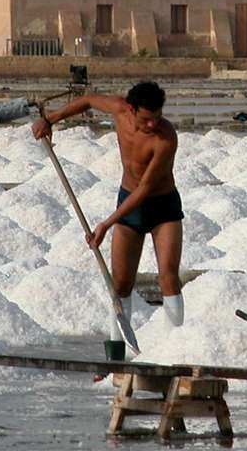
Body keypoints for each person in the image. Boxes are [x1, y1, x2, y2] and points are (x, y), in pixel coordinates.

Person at [31, 81, 184, 341]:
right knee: (121, 284)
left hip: (162, 206)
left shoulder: (166, 138)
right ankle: (118, 352)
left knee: (168, 278)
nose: (152, 125)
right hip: (128, 201)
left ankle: (175, 350)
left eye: (157, 118)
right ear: (131, 110)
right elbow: (88, 100)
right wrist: (51, 120)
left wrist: (106, 223)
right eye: (146, 119)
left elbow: (146, 187)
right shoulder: (118, 110)